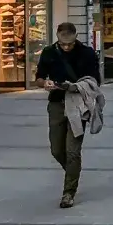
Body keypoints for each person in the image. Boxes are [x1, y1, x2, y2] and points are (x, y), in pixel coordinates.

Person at [34, 22, 100, 208]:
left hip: (78, 105)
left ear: (75, 37)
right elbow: (38, 77)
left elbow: (95, 80)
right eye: (63, 44)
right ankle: (73, 171)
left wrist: (76, 86)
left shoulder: (86, 53)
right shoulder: (49, 52)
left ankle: (68, 192)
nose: (66, 47)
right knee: (56, 149)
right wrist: (44, 83)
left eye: (69, 43)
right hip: (56, 103)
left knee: (73, 151)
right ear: (57, 37)